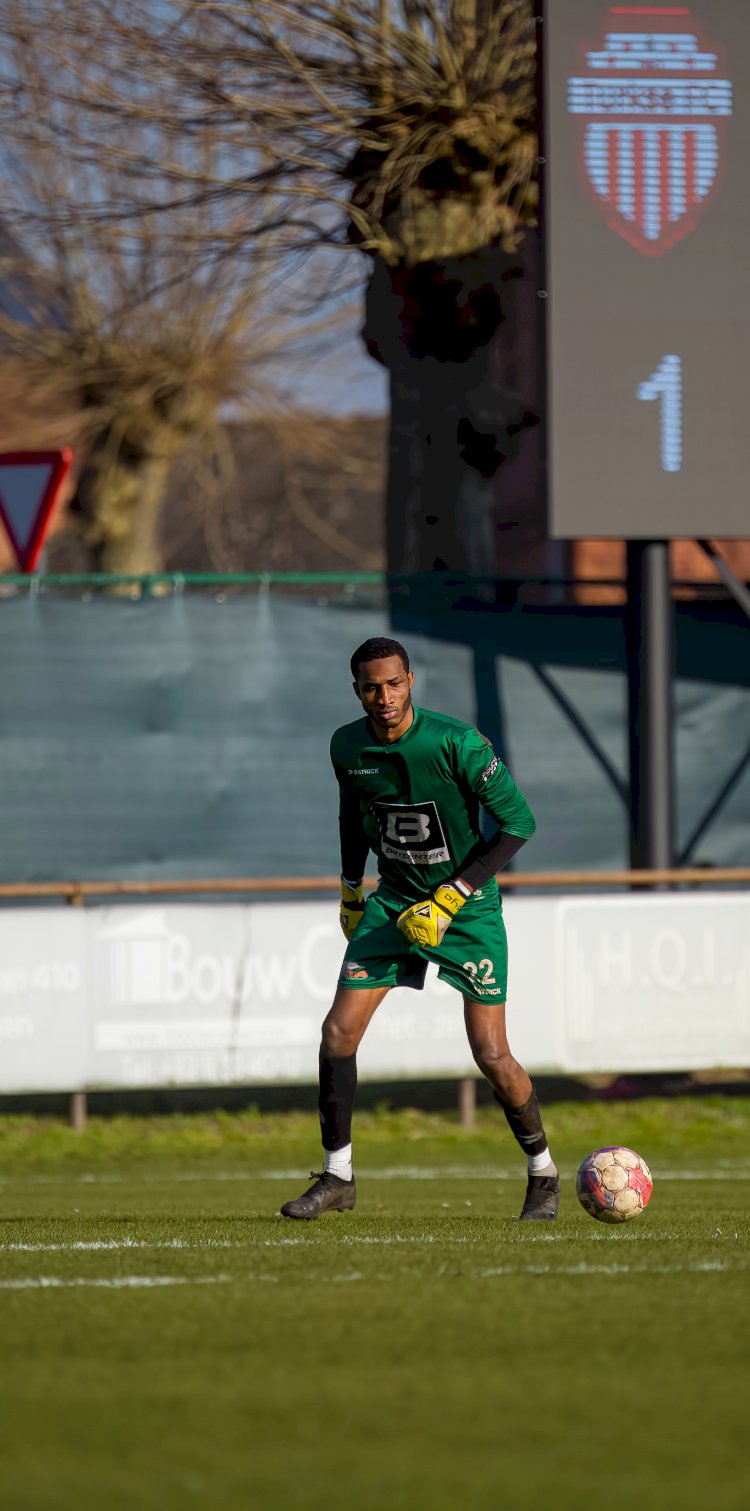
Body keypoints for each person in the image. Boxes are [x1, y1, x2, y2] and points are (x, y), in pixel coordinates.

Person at [280, 636, 559, 1222]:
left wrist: (453, 895)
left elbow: (518, 823)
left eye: (394, 684)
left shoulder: (458, 742)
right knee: (337, 1034)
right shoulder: (346, 745)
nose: (384, 697)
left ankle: (543, 1174)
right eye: (371, 687)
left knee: (491, 1052)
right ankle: (338, 1176)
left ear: (411, 680)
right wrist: (352, 886)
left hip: (467, 908)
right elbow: (352, 817)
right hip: (394, 903)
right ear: (356, 689)